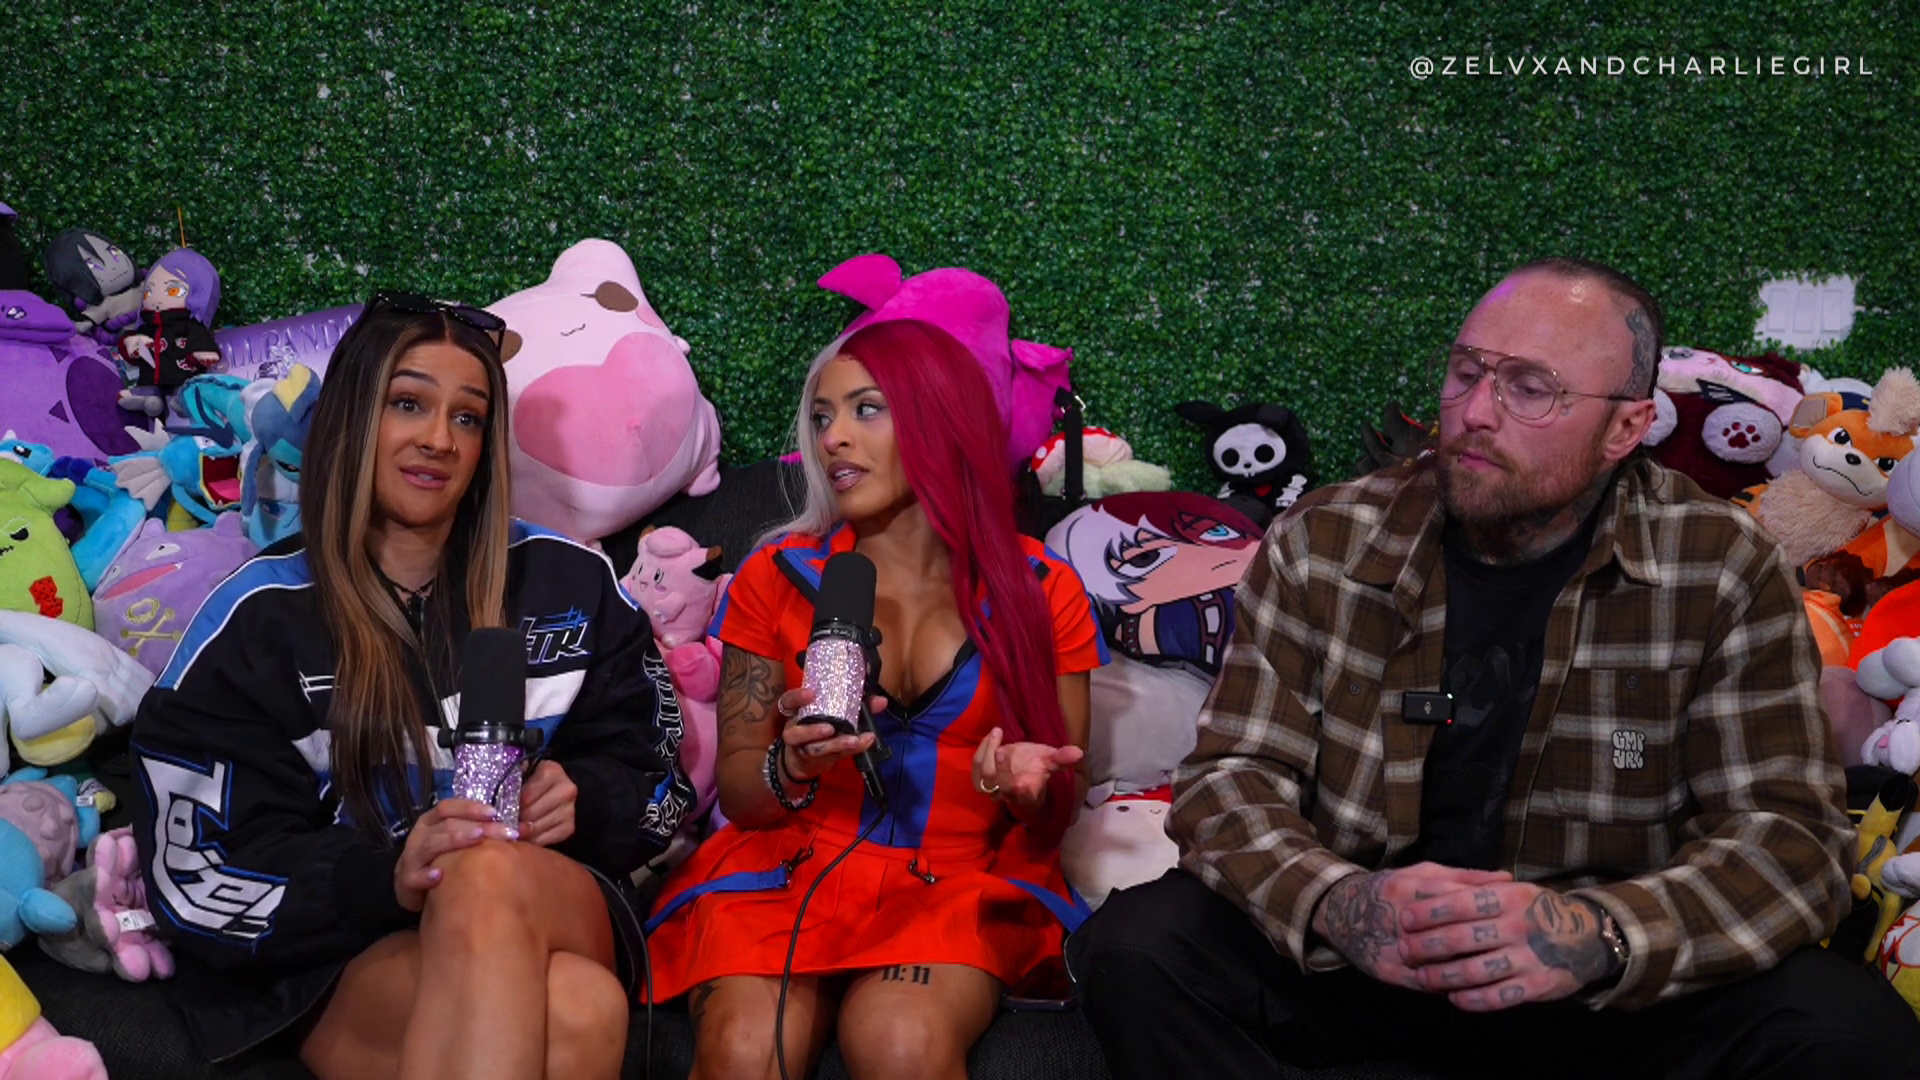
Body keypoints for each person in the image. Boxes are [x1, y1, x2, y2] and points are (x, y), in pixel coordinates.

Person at [1069, 257, 1920, 1078]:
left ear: (1625, 428)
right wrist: (1336, 903)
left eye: (1530, 388)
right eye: (1467, 371)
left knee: (1846, 1028)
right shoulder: (1325, 539)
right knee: (1141, 948)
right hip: (1368, 949)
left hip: (1607, 975)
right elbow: (1231, 776)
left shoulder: (1721, 563)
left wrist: (1598, 934)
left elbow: (1788, 838)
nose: (1475, 411)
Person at [131, 291, 687, 1080]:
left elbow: (665, 786)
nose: (439, 439)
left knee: (480, 870)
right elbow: (197, 874)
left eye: (468, 417)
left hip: (555, 901)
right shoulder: (255, 622)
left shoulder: (573, 583)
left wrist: (587, 796)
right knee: (579, 1011)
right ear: (352, 417)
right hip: (349, 952)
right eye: (408, 404)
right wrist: (382, 874)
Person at [642, 318, 1107, 1080]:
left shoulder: (1044, 591)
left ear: (940, 418)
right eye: (822, 416)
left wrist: (1028, 788)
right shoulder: (775, 576)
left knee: (899, 1042)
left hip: (953, 880)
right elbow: (739, 789)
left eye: (866, 409)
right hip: (786, 866)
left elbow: (1061, 803)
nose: (833, 438)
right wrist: (790, 768)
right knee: (744, 1049)